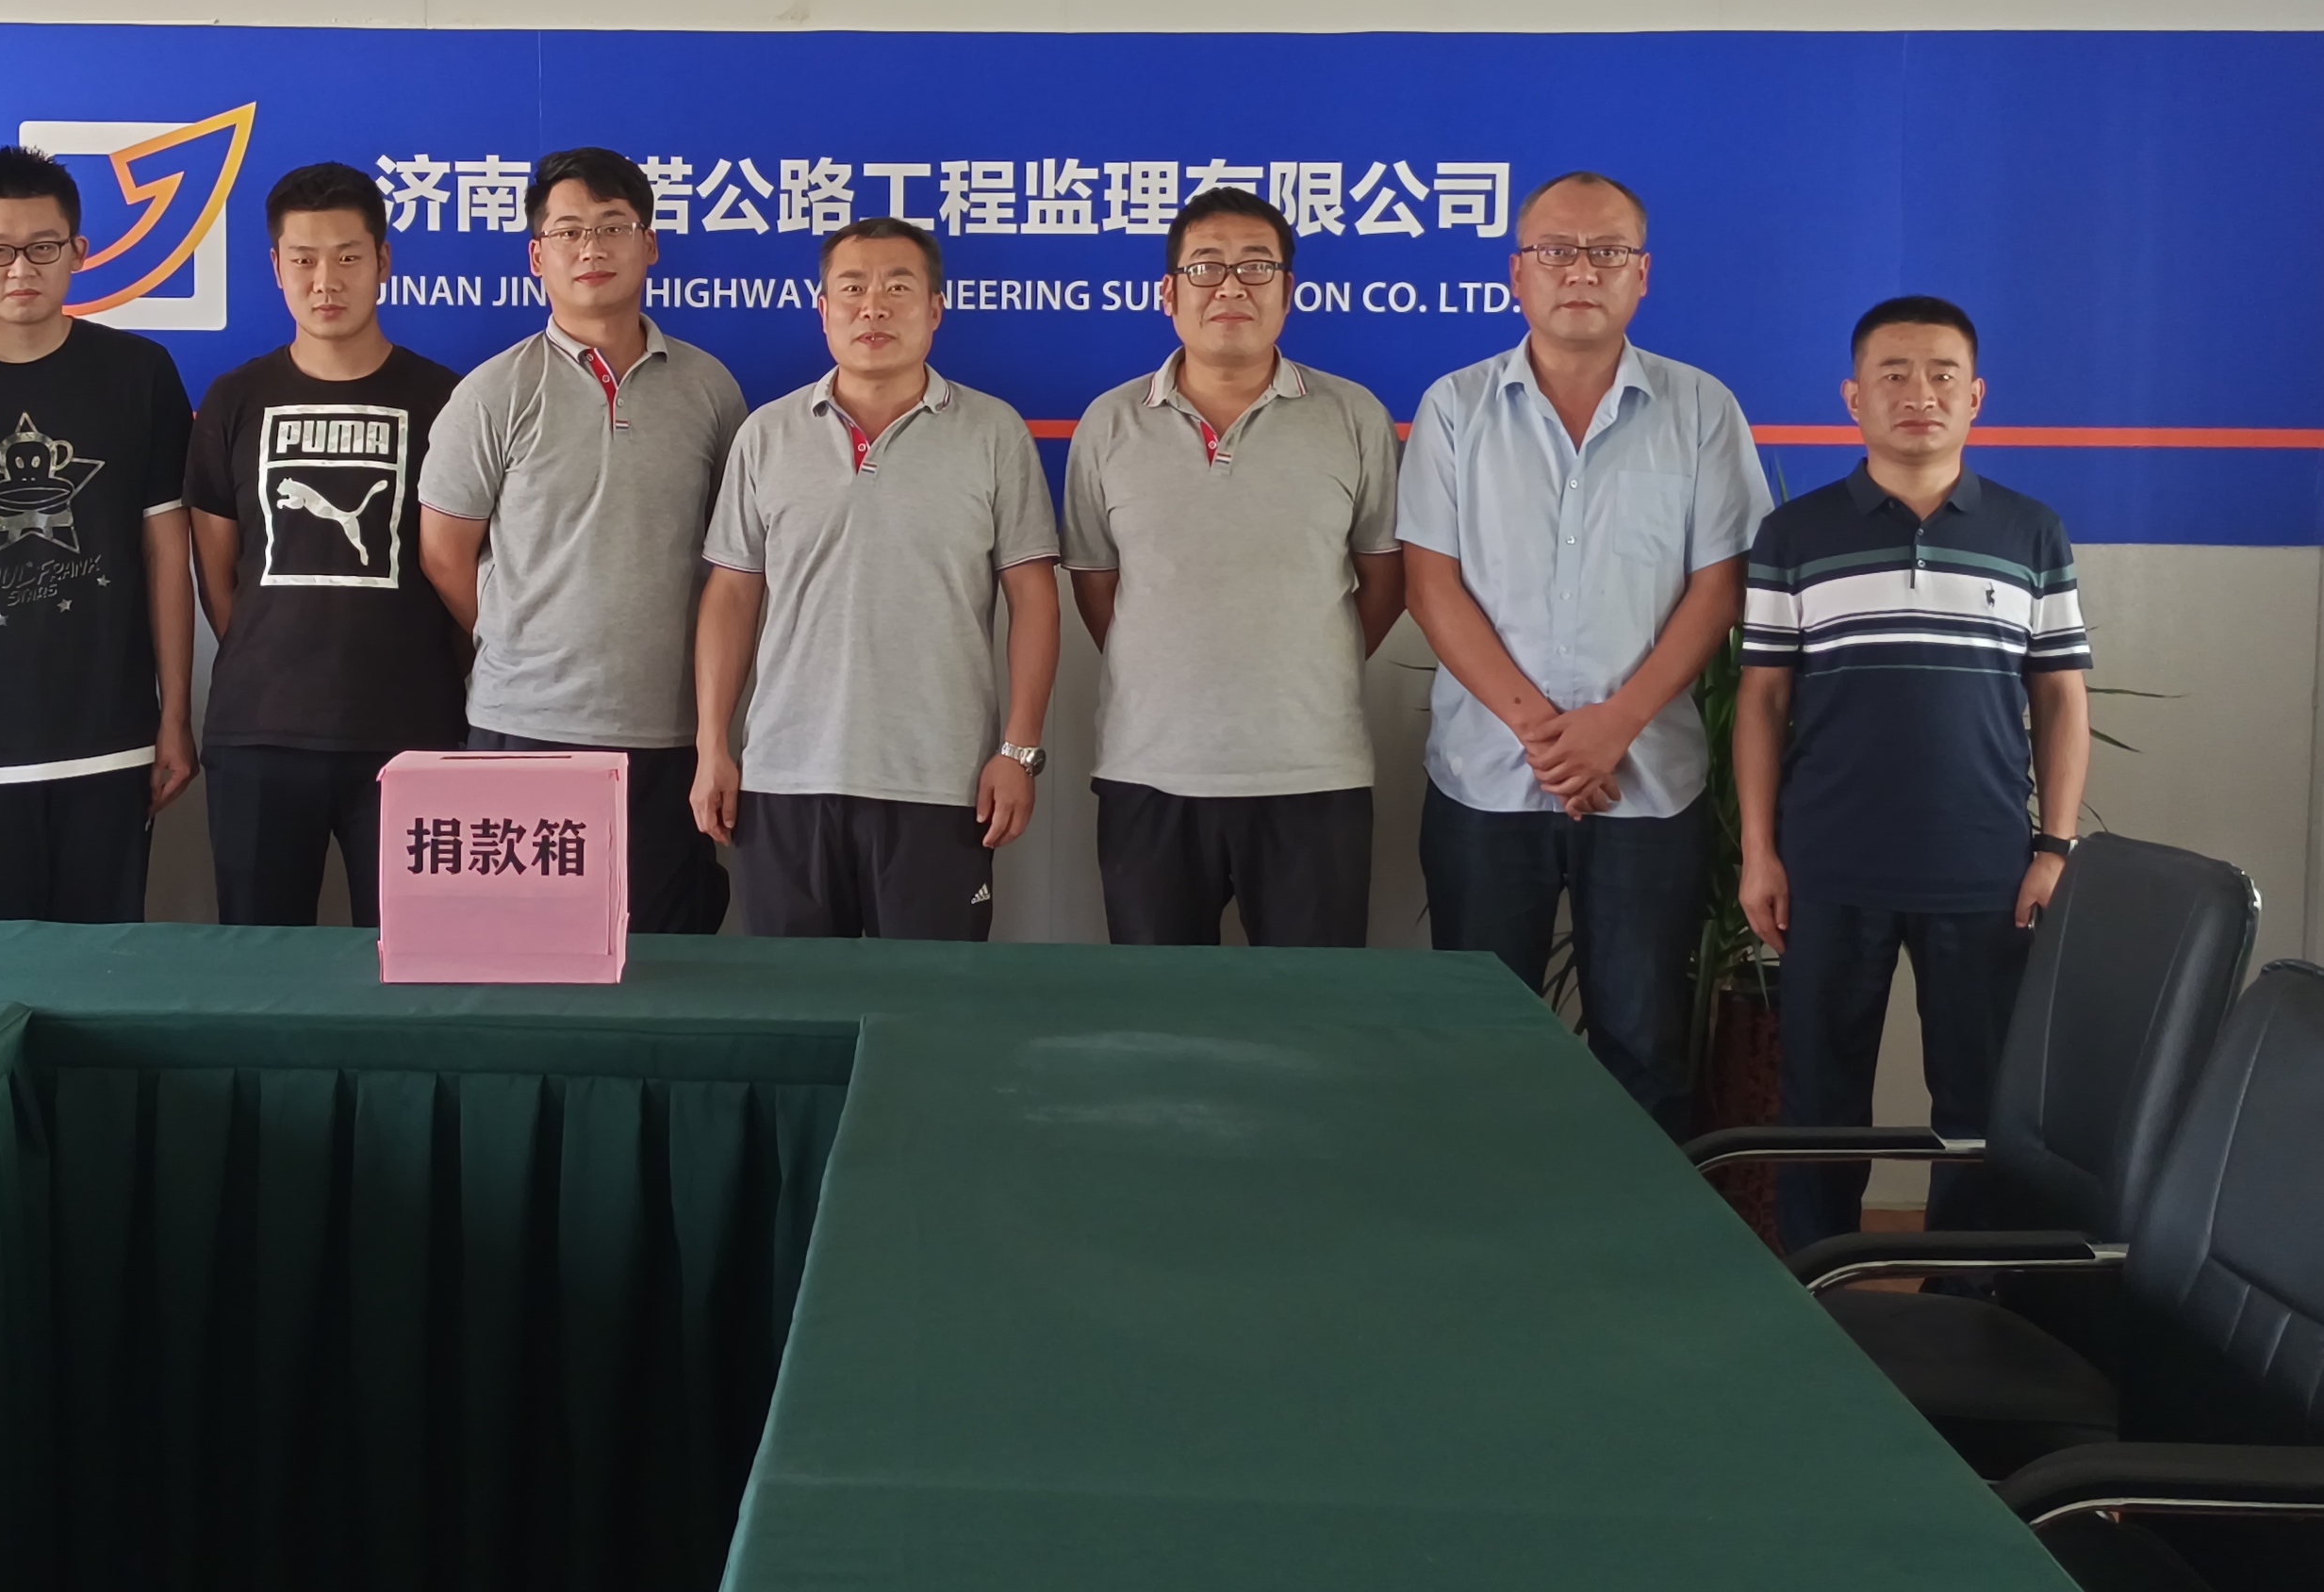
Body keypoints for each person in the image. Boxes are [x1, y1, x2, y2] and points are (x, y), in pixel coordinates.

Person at [1400, 171, 1768, 1136]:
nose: (1580, 270)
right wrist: (1544, 733)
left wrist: (1615, 726)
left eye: (1606, 252)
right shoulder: (1455, 407)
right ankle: (1489, 1224)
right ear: (1516, 272)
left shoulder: (1702, 408)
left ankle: (1639, 1235)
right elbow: (1431, 585)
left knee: (1644, 1046)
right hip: (1486, 778)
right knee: (1476, 1042)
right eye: (1556, 251)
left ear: (1641, 274)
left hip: (1646, 781)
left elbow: (1721, 585)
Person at [1735, 296, 2091, 1252]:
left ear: (1975, 397)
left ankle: (1964, 1290)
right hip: (1827, 865)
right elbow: (1761, 699)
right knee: (1819, 1102)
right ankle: (1814, 1283)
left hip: (1984, 870)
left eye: (1942, 375)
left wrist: (2055, 847)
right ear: (1854, 398)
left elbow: (2061, 697)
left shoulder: (2031, 532)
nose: (1918, 393)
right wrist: (1759, 851)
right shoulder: (1794, 534)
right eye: (1893, 374)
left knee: (1976, 1107)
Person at [690, 218, 1062, 941]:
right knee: (795, 1002)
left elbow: (1035, 598)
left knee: (931, 1000)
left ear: (935, 309)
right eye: (852, 288)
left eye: (898, 288)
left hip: (943, 783)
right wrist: (712, 748)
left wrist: (1018, 751)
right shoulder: (767, 434)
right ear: (822, 308)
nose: (873, 307)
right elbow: (731, 594)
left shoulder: (993, 433)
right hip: (786, 778)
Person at [1060, 189, 1405, 948]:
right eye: (1206, 267)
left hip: (1313, 772)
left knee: (1311, 1007)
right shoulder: (1109, 424)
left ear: (1289, 290)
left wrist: (1305, 655)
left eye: (1256, 267)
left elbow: (1385, 578)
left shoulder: (1354, 417)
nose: (1230, 287)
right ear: (1169, 293)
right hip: (1150, 770)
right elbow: (1097, 583)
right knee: (1159, 1006)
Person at [417, 147, 748, 935]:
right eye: (568, 232)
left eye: (612, 227)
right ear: (538, 257)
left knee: (667, 956)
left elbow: (734, 562)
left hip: (668, 730)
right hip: (524, 726)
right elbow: (443, 553)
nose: (591, 248)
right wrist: (522, 636)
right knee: (523, 952)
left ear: (650, 243)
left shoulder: (710, 389)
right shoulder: (493, 391)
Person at [0, 146, 199, 923]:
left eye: (43, 247)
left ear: (78, 251)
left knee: (105, 968)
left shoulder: (140, 372)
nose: (21, 268)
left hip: (113, 738)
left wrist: (175, 717)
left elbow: (166, 553)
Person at [184, 162, 465, 926]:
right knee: (260, 964)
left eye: (347, 256)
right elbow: (216, 572)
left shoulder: (447, 400)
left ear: (383, 261)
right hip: (259, 734)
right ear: (276, 267)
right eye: (303, 259)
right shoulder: (234, 399)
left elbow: (467, 565)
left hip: (412, 731)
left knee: (416, 959)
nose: (325, 280)